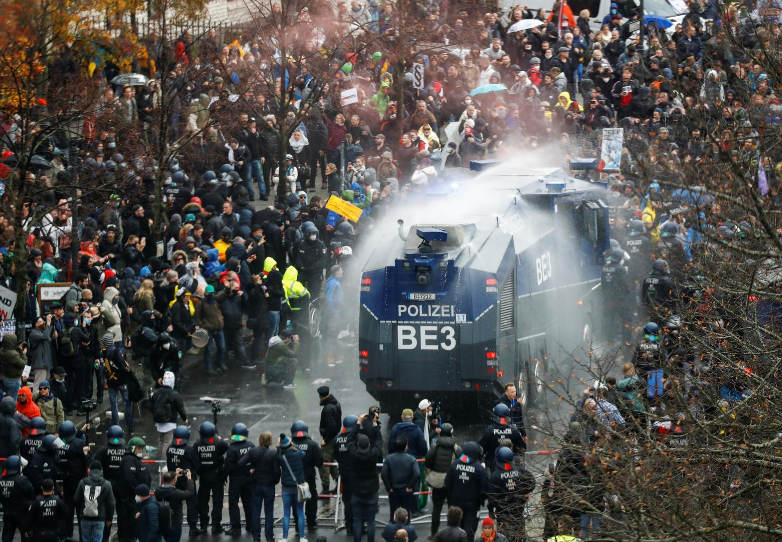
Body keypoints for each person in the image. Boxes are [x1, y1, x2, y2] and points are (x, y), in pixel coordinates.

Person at [348, 411, 383, 542]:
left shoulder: (353, 453)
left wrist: (358, 423)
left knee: (357, 520)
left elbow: (349, 439)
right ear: (369, 445)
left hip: (357, 491)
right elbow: (379, 440)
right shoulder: (373, 454)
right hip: (371, 491)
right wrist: (374, 425)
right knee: (371, 521)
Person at [238, 431, 280, 542]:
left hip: (256, 484)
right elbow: (276, 471)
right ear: (270, 441)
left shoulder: (253, 451)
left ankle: (256, 537)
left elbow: (241, 463)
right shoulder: (273, 453)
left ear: (260, 440)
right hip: (269, 485)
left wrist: (250, 472)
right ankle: (269, 536)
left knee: (256, 511)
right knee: (269, 512)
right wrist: (275, 481)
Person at [487, 447, 535, 536]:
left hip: (502, 513)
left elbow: (491, 498)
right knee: (519, 534)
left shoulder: (495, 476)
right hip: (518, 510)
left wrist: (491, 511)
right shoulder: (520, 470)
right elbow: (532, 483)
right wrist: (523, 493)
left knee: (503, 536)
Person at [445, 442, 488, 541]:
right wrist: (479, 499)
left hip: (456, 504)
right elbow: (485, 488)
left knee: (455, 529)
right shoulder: (479, 469)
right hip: (472, 505)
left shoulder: (454, 465)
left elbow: (447, 483)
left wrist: (453, 496)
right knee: (469, 531)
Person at [425, 423, 461, 539]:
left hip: (438, 482)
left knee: (436, 508)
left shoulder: (435, 446)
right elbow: (461, 463)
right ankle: (453, 532)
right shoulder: (456, 447)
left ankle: (434, 532)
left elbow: (428, 461)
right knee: (453, 509)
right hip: (452, 482)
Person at [193, 421, 229, 534]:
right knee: (217, 501)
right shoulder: (219, 443)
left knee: (203, 500)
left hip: (204, 475)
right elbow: (224, 447)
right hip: (217, 475)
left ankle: (203, 524)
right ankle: (216, 525)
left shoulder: (197, 445)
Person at [165, 426, 201, 534]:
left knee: (175, 504)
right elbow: (197, 465)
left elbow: (169, 464)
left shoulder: (169, 448)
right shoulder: (189, 450)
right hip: (187, 480)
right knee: (192, 504)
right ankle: (192, 527)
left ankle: (175, 525)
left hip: (174, 479)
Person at [117, 437, 152, 542]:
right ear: (132, 448)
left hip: (134, 499)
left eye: (142, 448)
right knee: (127, 523)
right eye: (138, 448)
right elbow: (130, 477)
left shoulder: (135, 460)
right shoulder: (129, 459)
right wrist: (137, 492)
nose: (141, 451)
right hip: (129, 500)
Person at [290, 420, 323, 531]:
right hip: (308, 478)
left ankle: (298, 524)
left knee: (296, 501)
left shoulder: (289, 445)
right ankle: (311, 523)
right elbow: (319, 462)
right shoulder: (312, 444)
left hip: (294, 478)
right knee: (311, 499)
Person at [74, 460, 116, 542]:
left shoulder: (83, 482)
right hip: (100, 518)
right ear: (101, 470)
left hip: (85, 518)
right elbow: (111, 503)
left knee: (86, 539)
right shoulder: (107, 484)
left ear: (90, 470)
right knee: (98, 539)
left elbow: (76, 499)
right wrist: (109, 519)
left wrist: (80, 514)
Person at [224, 423, 254, 536]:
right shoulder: (251, 445)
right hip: (248, 478)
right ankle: (251, 525)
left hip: (236, 480)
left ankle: (236, 528)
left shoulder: (232, 449)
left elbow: (228, 466)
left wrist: (223, 478)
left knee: (233, 503)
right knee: (248, 502)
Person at [102, 332, 135, 434]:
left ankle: (115, 425)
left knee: (113, 404)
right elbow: (124, 366)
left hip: (111, 381)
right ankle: (130, 425)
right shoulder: (117, 352)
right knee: (127, 403)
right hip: (122, 381)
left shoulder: (103, 353)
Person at [382, 435, 420, 521]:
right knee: (406, 515)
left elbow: (384, 474)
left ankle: (393, 532)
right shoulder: (411, 459)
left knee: (393, 514)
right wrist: (410, 486)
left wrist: (388, 487)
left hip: (393, 490)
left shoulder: (389, 458)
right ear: (406, 446)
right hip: (406, 490)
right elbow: (417, 473)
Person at [479, 404, 525, 472]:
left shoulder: (489, 430)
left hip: (493, 466)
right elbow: (522, 449)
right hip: (512, 465)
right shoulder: (514, 430)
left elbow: (481, 449)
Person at [278, 434, 307, 541]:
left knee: (286, 513)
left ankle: (284, 538)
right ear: (290, 445)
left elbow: (278, 454)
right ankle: (302, 537)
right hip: (298, 487)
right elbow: (303, 453)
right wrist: (293, 444)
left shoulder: (281, 458)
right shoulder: (298, 454)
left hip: (286, 488)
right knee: (300, 512)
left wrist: (279, 446)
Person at [151, 371, 188, 454]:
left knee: (160, 440)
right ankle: (164, 463)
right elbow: (180, 407)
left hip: (158, 420)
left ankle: (160, 461)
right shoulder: (174, 394)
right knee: (167, 442)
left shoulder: (157, 392)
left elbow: (151, 405)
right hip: (170, 421)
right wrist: (184, 418)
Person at [193, 284, 226, 375]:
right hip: (209, 330)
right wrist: (203, 326)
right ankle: (208, 368)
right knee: (208, 350)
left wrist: (227, 288)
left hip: (219, 328)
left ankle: (219, 361)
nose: (211, 294)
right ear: (206, 293)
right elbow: (197, 317)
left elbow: (224, 295)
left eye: (212, 292)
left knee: (222, 347)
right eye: (209, 292)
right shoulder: (201, 303)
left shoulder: (215, 300)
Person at [155, 469, 195, 542]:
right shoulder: (176, 493)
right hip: (175, 522)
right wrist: (189, 479)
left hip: (163, 521)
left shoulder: (157, 491)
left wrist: (175, 476)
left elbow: (169, 489)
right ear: (173, 482)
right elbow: (190, 492)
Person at [0, 455, 34, 542]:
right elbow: (31, 494)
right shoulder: (22, 480)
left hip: (7, 512)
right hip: (22, 513)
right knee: (26, 536)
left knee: (7, 536)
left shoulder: (1, 480)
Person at [334, 415, 358, 535]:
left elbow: (336, 456)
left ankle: (349, 526)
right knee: (358, 501)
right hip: (357, 474)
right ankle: (358, 526)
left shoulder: (337, 438)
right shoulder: (356, 438)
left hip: (344, 474)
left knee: (347, 501)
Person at [318, 385, 342, 496]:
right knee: (332, 463)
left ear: (320, 396)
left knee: (324, 463)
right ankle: (340, 485)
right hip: (335, 437)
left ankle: (326, 489)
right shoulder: (336, 404)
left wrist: (326, 440)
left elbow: (331, 426)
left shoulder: (327, 408)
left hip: (330, 439)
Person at [0, 333, 27, 400]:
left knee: (8, 399)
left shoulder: (2, 350)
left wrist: (18, 348)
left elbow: (11, 351)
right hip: (14, 380)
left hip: (6, 378)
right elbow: (23, 364)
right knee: (12, 401)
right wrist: (23, 354)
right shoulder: (13, 354)